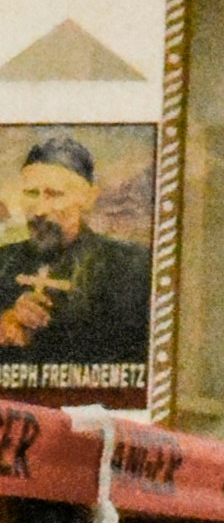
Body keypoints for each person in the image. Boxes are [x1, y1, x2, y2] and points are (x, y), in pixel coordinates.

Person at [0, 134, 150, 374]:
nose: (39, 210)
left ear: (88, 198)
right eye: (31, 193)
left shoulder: (133, 267)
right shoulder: (3, 261)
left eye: (54, 194)